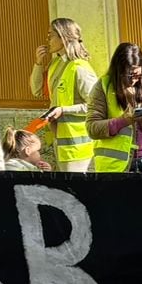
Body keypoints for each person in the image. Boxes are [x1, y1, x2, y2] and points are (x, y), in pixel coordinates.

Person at [86, 42, 142, 174]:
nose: (134, 80)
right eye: (129, 75)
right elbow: (92, 128)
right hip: (116, 167)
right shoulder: (103, 87)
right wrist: (123, 120)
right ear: (118, 70)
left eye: (139, 75)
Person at [29, 18, 101, 173]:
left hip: (78, 146)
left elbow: (96, 105)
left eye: (51, 36)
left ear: (63, 37)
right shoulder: (56, 64)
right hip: (60, 141)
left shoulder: (80, 67)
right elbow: (37, 90)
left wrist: (64, 110)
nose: (48, 40)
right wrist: (38, 63)